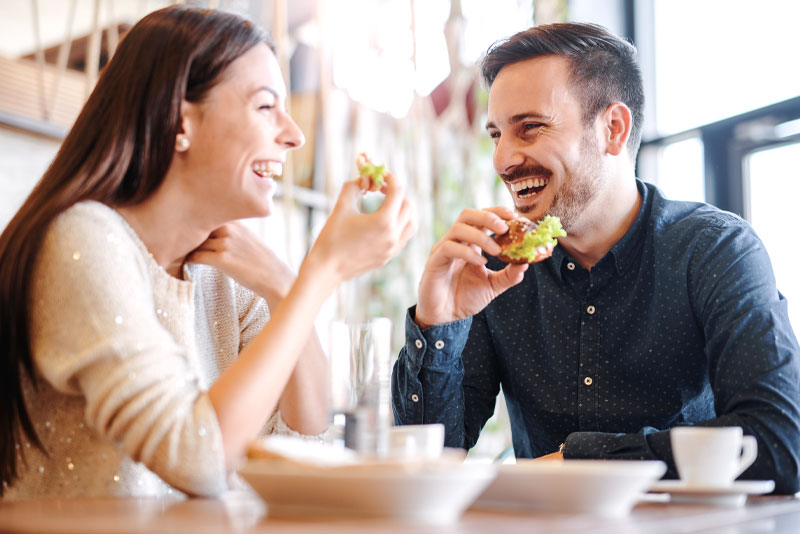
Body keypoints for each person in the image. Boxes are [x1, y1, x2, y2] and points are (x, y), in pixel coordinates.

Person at [0, 6, 414, 500]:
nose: (294, 134)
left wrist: (286, 287)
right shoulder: (81, 240)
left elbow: (305, 429)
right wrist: (321, 274)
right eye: (265, 107)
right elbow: (197, 458)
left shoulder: (224, 272)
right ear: (181, 121)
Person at [392, 22, 800, 493]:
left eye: (529, 128)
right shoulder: (496, 269)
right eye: (496, 135)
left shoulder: (715, 250)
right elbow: (422, 466)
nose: (503, 159)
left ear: (613, 129)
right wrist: (438, 321)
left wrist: (582, 460)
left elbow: (779, 442)